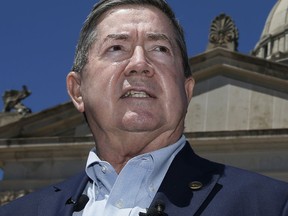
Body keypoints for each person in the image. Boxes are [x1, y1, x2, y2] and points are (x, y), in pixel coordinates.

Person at [1, 0, 288, 215]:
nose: (139, 64)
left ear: (188, 91)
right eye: (117, 48)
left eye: (160, 49)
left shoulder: (273, 205)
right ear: (77, 90)